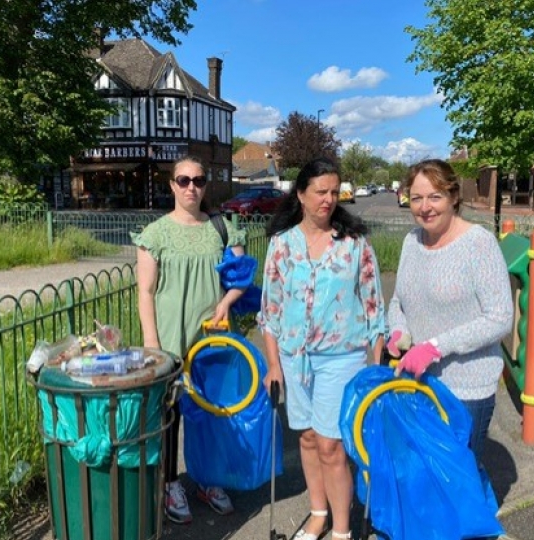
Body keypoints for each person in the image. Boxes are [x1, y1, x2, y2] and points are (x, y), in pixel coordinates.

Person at [259, 157, 386, 540]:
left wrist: (374, 370)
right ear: (300, 195)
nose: (329, 199)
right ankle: (318, 513)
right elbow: (271, 311)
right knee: (309, 439)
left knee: (332, 445)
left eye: (335, 192)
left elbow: (374, 309)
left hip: (341, 358)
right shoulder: (282, 245)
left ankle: (342, 530)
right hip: (294, 359)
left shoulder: (354, 245)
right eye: (320, 192)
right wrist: (273, 365)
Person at [131, 155, 246, 524]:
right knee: (171, 415)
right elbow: (145, 292)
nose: (191, 187)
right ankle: (169, 484)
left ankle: (209, 479)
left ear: (205, 185)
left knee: (213, 414)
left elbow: (241, 277)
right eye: (183, 180)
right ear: (172, 185)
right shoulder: (155, 235)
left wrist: (226, 303)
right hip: (170, 340)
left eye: (198, 180)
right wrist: (153, 344)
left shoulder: (222, 228)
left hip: (213, 340)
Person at [387, 158, 514, 464]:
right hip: (418, 383)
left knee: (458, 482)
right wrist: (398, 330)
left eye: (435, 196)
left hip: (466, 390)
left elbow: (500, 318)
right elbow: (398, 301)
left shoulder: (478, 244)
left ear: (454, 197)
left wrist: (435, 347)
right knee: (426, 476)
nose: (425, 207)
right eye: (416, 198)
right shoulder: (411, 241)